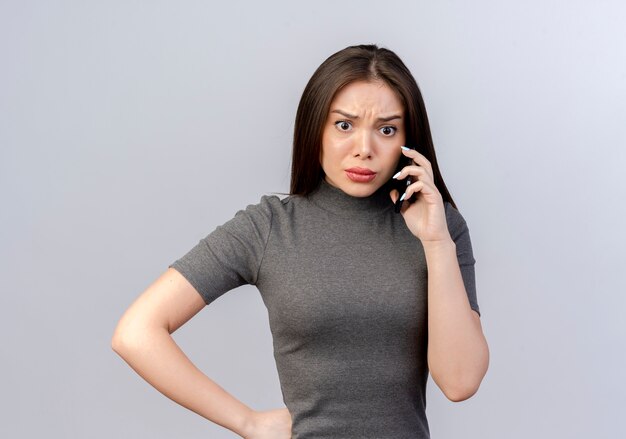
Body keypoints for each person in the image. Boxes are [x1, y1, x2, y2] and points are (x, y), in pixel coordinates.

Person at [111, 43, 489, 439]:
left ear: (407, 141)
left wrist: (436, 242)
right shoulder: (270, 227)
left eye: (387, 129)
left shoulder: (441, 228)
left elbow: (460, 382)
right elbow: (136, 333)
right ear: (316, 129)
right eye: (344, 125)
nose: (365, 148)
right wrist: (247, 421)